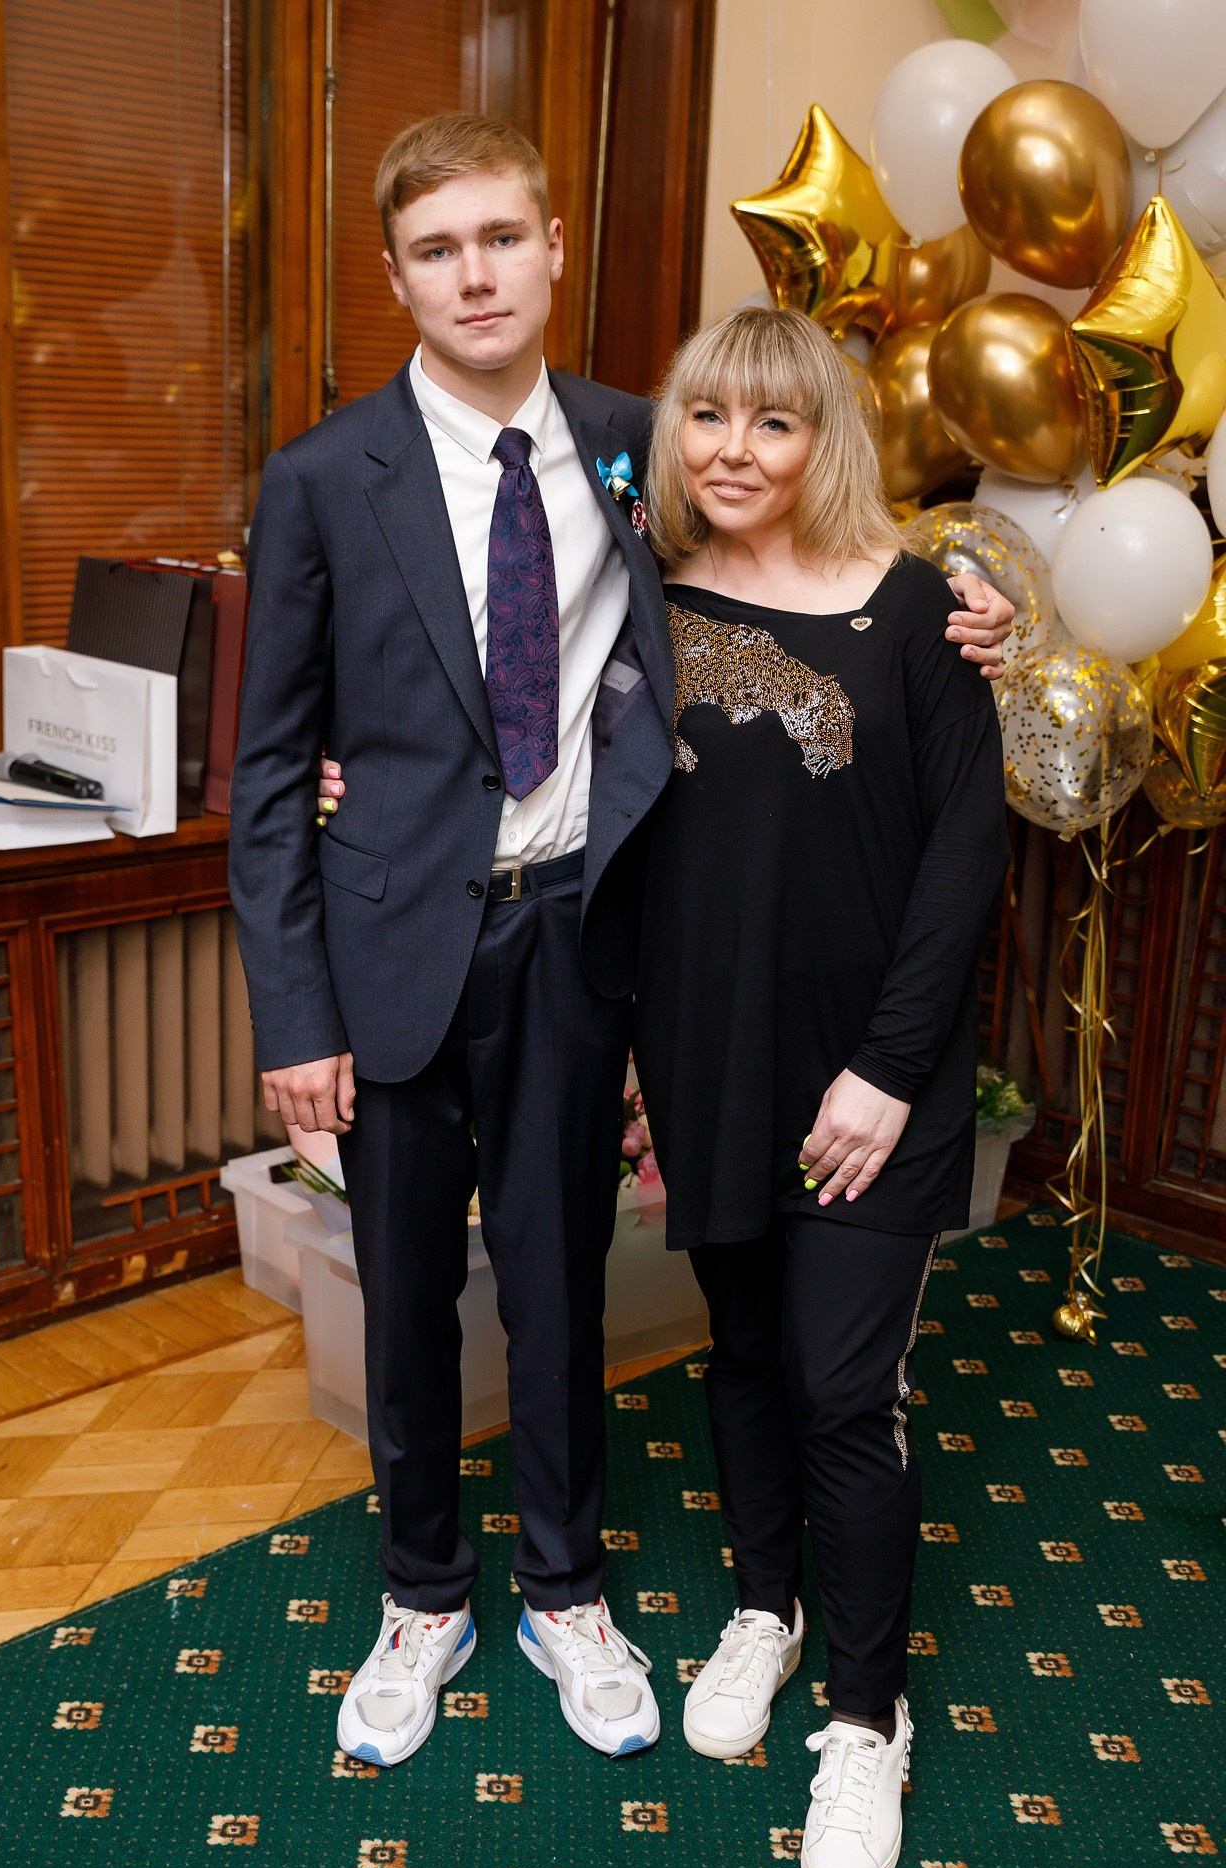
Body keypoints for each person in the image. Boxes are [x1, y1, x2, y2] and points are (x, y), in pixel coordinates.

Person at [237, 111, 1011, 1776]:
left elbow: (808, 537)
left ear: (553, 247)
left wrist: (971, 600)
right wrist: (292, 1016)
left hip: (584, 942)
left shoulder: (636, 446)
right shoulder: (319, 480)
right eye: (435, 250)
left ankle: (565, 1591)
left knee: (559, 1284)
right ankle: (421, 1598)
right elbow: (269, 769)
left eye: (498, 239)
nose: (473, 275)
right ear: (397, 277)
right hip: (392, 955)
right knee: (406, 1301)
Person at [633, 306, 1009, 1868]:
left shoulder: (925, 614)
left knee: (846, 1390)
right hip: (707, 1062)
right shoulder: (644, 604)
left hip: (873, 1080)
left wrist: (888, 1072)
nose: (735, 449)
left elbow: (966, 857)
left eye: (773, 422)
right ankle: (761, 1610)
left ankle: (867, 1719)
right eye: (708, 415)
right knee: (742, 1353)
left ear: (822, 440)